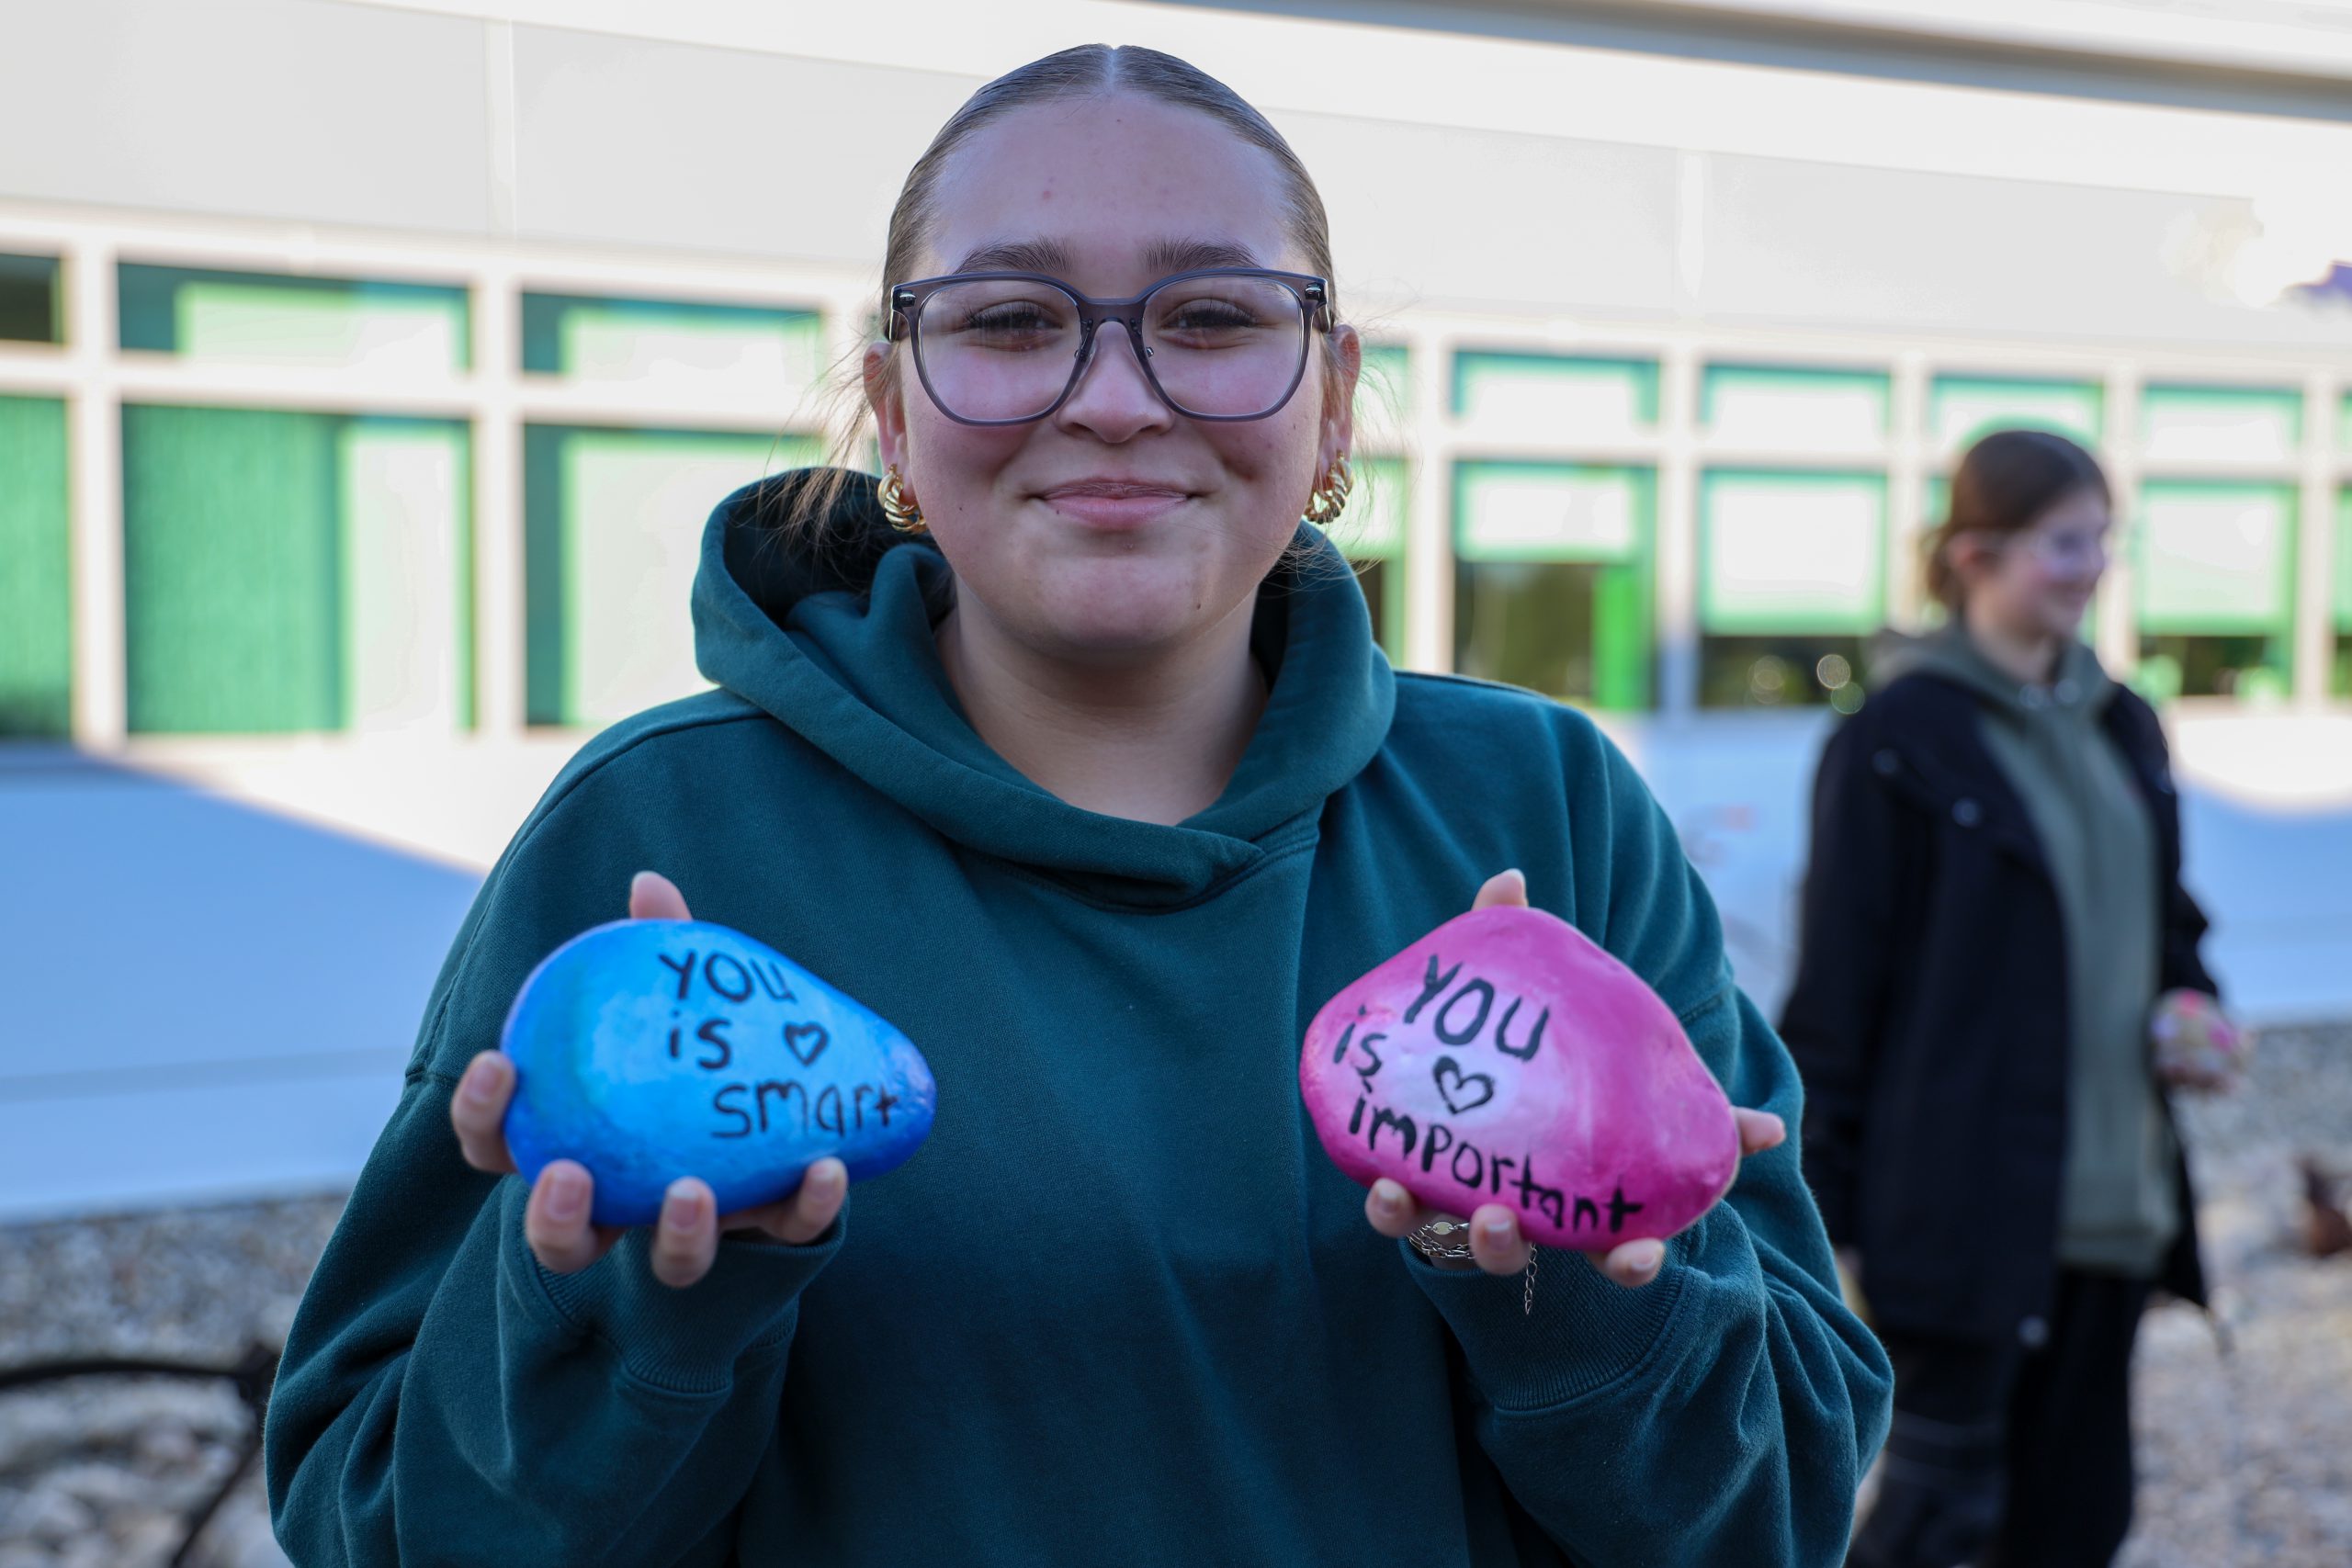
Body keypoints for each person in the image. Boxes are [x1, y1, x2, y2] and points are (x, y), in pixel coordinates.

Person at [266, 44, 1888, 1566]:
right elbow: (375, 1518)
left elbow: (1782, 1508)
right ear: (893, 406)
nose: (1113, 397)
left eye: (1210, 316)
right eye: (1010, 320)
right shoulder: (664, 842)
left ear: (1333, 402)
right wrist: (613, 1320)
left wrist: (1599, 1300)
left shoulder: (1539, 812)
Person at [1779, 428, 2222, 1568]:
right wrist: (1823, 1221)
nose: (2089, 567)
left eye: (2102, 541)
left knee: (2077, 1529)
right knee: (1936, 1533)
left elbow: (2165, 921)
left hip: (2112, 1214)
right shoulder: (1894, 740)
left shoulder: (2125, 724)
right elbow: (1838, 991)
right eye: (2063, 541)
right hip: (1958, 1223)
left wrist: (2191, 1005)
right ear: (1974, 554)